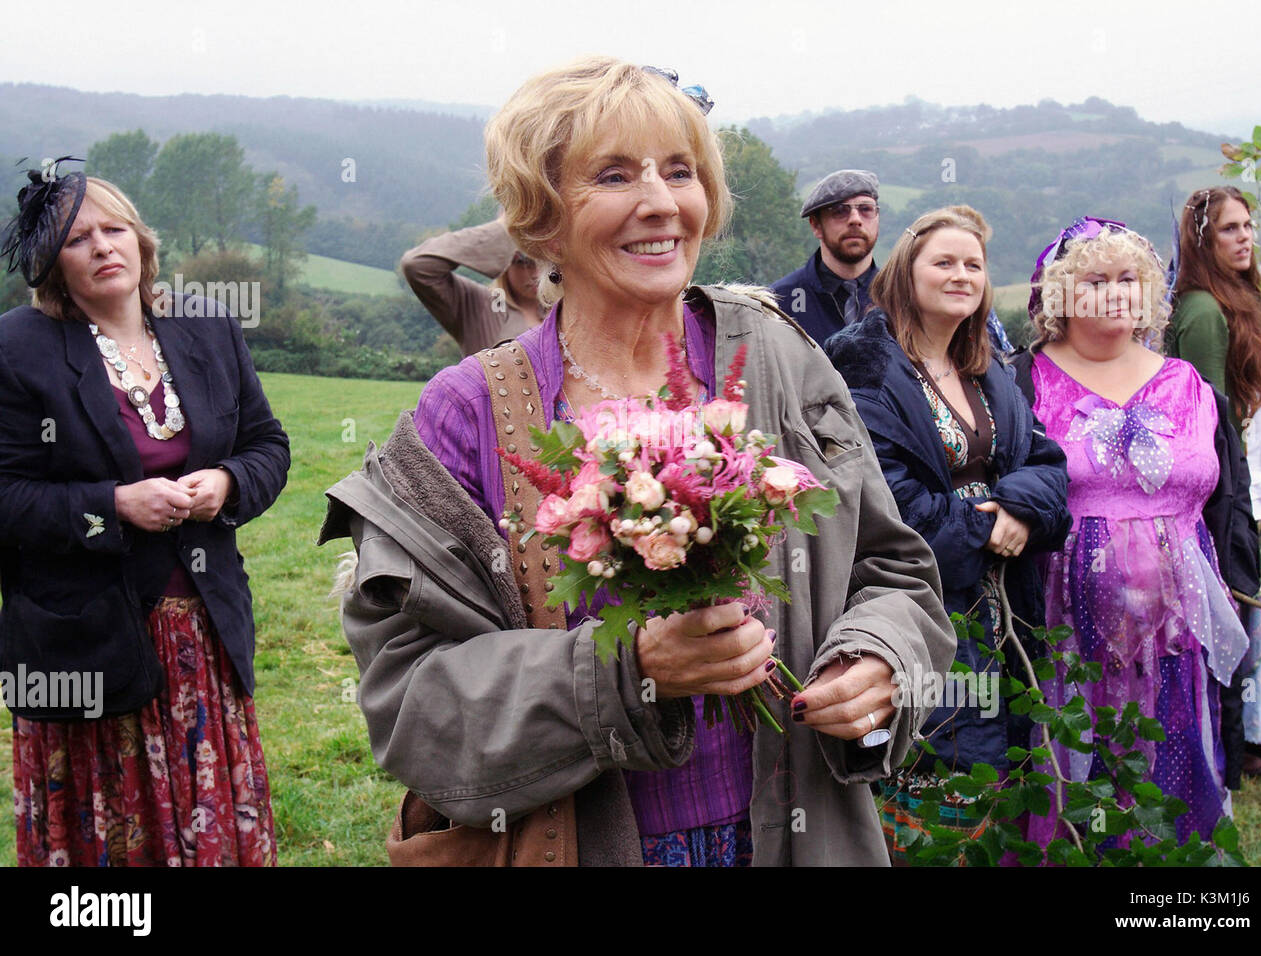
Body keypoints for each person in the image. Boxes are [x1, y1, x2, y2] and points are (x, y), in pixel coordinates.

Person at [321, 57, 956, 866]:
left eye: (681, 171)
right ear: (543, 219)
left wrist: (879, 656)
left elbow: (892, 567)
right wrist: (632, 670)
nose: (661, 202)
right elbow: (411, 697)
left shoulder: (778, 357)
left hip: (792, 833)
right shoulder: (471, 410)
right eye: (614, 175)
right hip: (585, 843)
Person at [0, 166, 290, 865]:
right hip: (86, 641)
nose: (103, 247)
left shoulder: (206, 327)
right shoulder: (18, 349)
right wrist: (112, 506)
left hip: (204, 636)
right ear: (50, 263)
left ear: (141, 240)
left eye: (114, 229)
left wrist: (227, 481)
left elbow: (268, 445)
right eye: (79, 239)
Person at [824, 205, 1071, 861]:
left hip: (1004, 610)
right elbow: (880, 496)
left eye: (974, 264)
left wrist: (1018, 510)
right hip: (919, 606)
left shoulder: (986, 366)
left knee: (998, 767)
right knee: (935, 772)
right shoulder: (862, 364)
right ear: (906, 272)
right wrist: (987, 528)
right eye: (945, 262)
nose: (962, 274)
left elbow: (1046, 463)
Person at [1016, 216, 1252, 845]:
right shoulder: (1023, 383)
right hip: (1065, 636)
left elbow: (1224, 504)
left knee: (1170, 775)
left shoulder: (1188, 385)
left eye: (1130, 279)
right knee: (1079, 780)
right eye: (1096, 280)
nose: (1117, 292)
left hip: (1175, 639)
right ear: (1062, 296)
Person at [1168, 187, 1261, 774]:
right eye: (1229, 229)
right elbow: (1207, 418)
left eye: (1248, 226)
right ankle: (1240, 735)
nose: (1245, 237)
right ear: (1202, 241)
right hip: (1233, 489)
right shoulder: (1200, 310)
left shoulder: (1238, 299)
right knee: (1244, 610)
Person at [401, 215, 543, 356]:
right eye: (524, 262)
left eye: (547, 262)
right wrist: (504, 227)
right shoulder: (482, 306)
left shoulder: (561, 309)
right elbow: (417, 265)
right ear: (506, 261)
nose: (537, 274)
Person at [770, 169, 882, 348]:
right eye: (839, 211)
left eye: (865, 209)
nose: (855, 219)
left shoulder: (901, 298)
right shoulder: (779, 303)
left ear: (877, 218)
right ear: (816, 225)